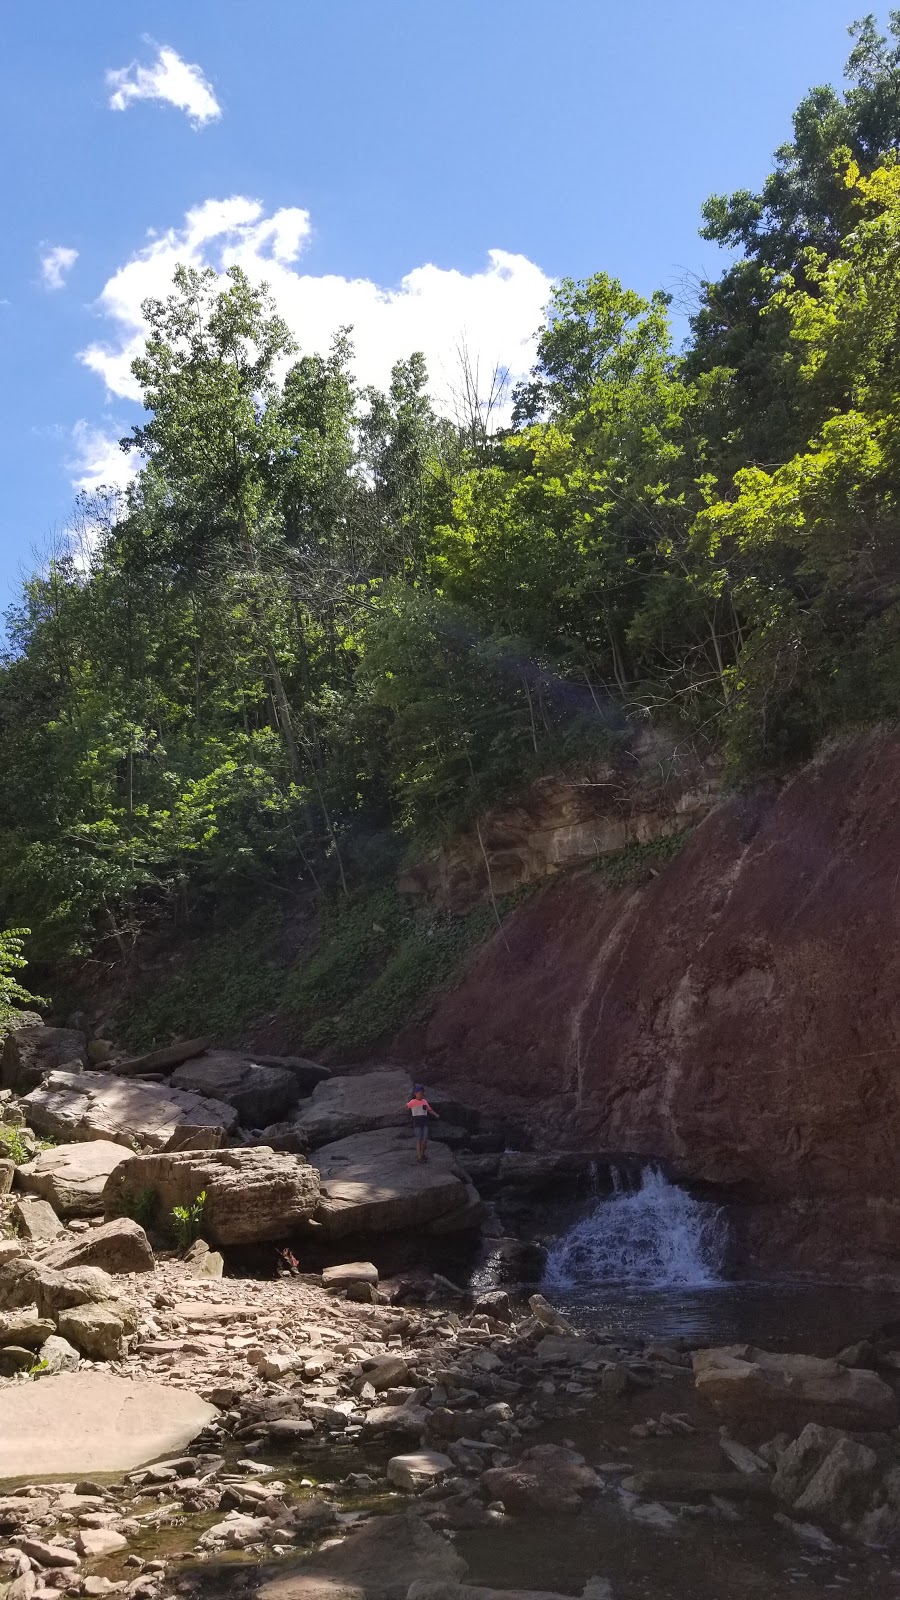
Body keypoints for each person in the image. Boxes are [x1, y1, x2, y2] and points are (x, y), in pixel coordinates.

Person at [407, 1084, 439, 1163]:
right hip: (417, 1122)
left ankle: (422, 1154)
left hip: (424, 1122)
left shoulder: (424, 1101)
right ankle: (419, 1157)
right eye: (419, 1093)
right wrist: (397, 1111)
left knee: (425, 1139)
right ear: (415, 1094)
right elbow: (405, 1106)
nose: (421, 1095)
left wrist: (435, 1114)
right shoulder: (412, 1102)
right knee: (419, 1139)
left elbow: (429, 1109)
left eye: (422, 1093)